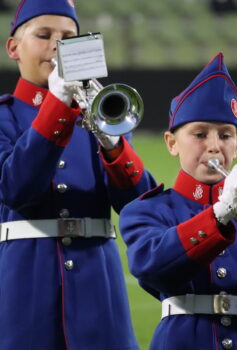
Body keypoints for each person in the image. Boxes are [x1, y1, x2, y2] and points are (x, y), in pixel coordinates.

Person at [0, 0, 156, 349]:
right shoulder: (4, 118)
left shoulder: (97, 115)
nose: (57, 47)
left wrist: (114, 144)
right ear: (13, 47)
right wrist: (57, 103)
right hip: (26, 290)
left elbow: (139, 208)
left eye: (68, 37)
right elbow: (16, 189)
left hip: (99, 292)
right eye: (43, 35)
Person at [119, 53, 237, 350]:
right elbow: (153, 269)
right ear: (172, 143)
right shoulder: (146, 210)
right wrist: (219, 214)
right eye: (200, 134)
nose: (215, 146)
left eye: (226, 135)